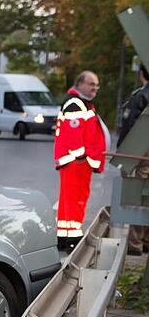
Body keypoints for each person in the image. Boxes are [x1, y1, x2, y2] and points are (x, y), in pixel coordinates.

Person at [54, 71, 108, 251]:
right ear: (80, 84)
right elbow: (73, 135)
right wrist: (82, 157)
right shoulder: (76, 104)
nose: (95, 88)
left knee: (68, 199)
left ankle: (63, 235)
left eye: (97, 85)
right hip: (76, 161)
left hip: (73, 160)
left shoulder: (79, 103)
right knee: (76, 199)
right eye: (91, 84)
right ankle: (73, 238)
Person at [119, 64, 149, 254]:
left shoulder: (140, 95)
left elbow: (129, 124)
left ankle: (135, 243)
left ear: (142, 74)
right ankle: (146, 240)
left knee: (139, 194)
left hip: (141, 150)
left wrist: (122, 153)